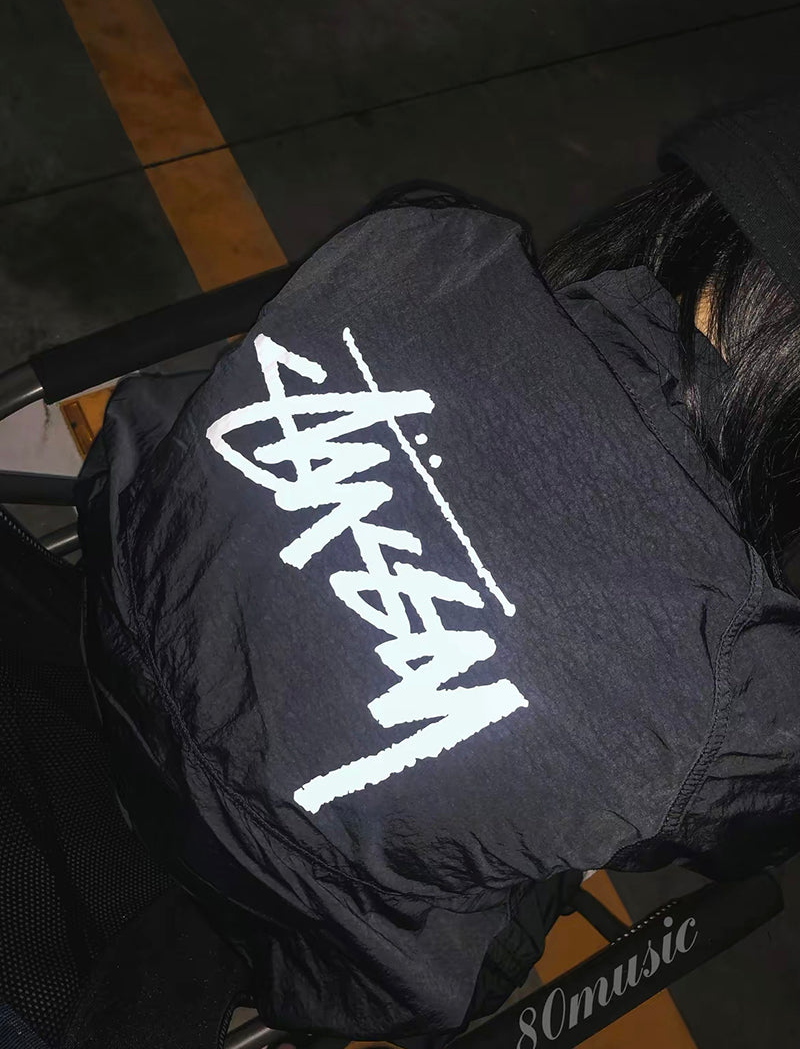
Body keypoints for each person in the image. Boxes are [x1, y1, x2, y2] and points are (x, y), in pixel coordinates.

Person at [75, 86, 800, 1049]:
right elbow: (750, 832)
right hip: (316, 940)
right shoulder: (746, 686)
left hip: (105, 626)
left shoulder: (430, 247)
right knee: (607, 798)